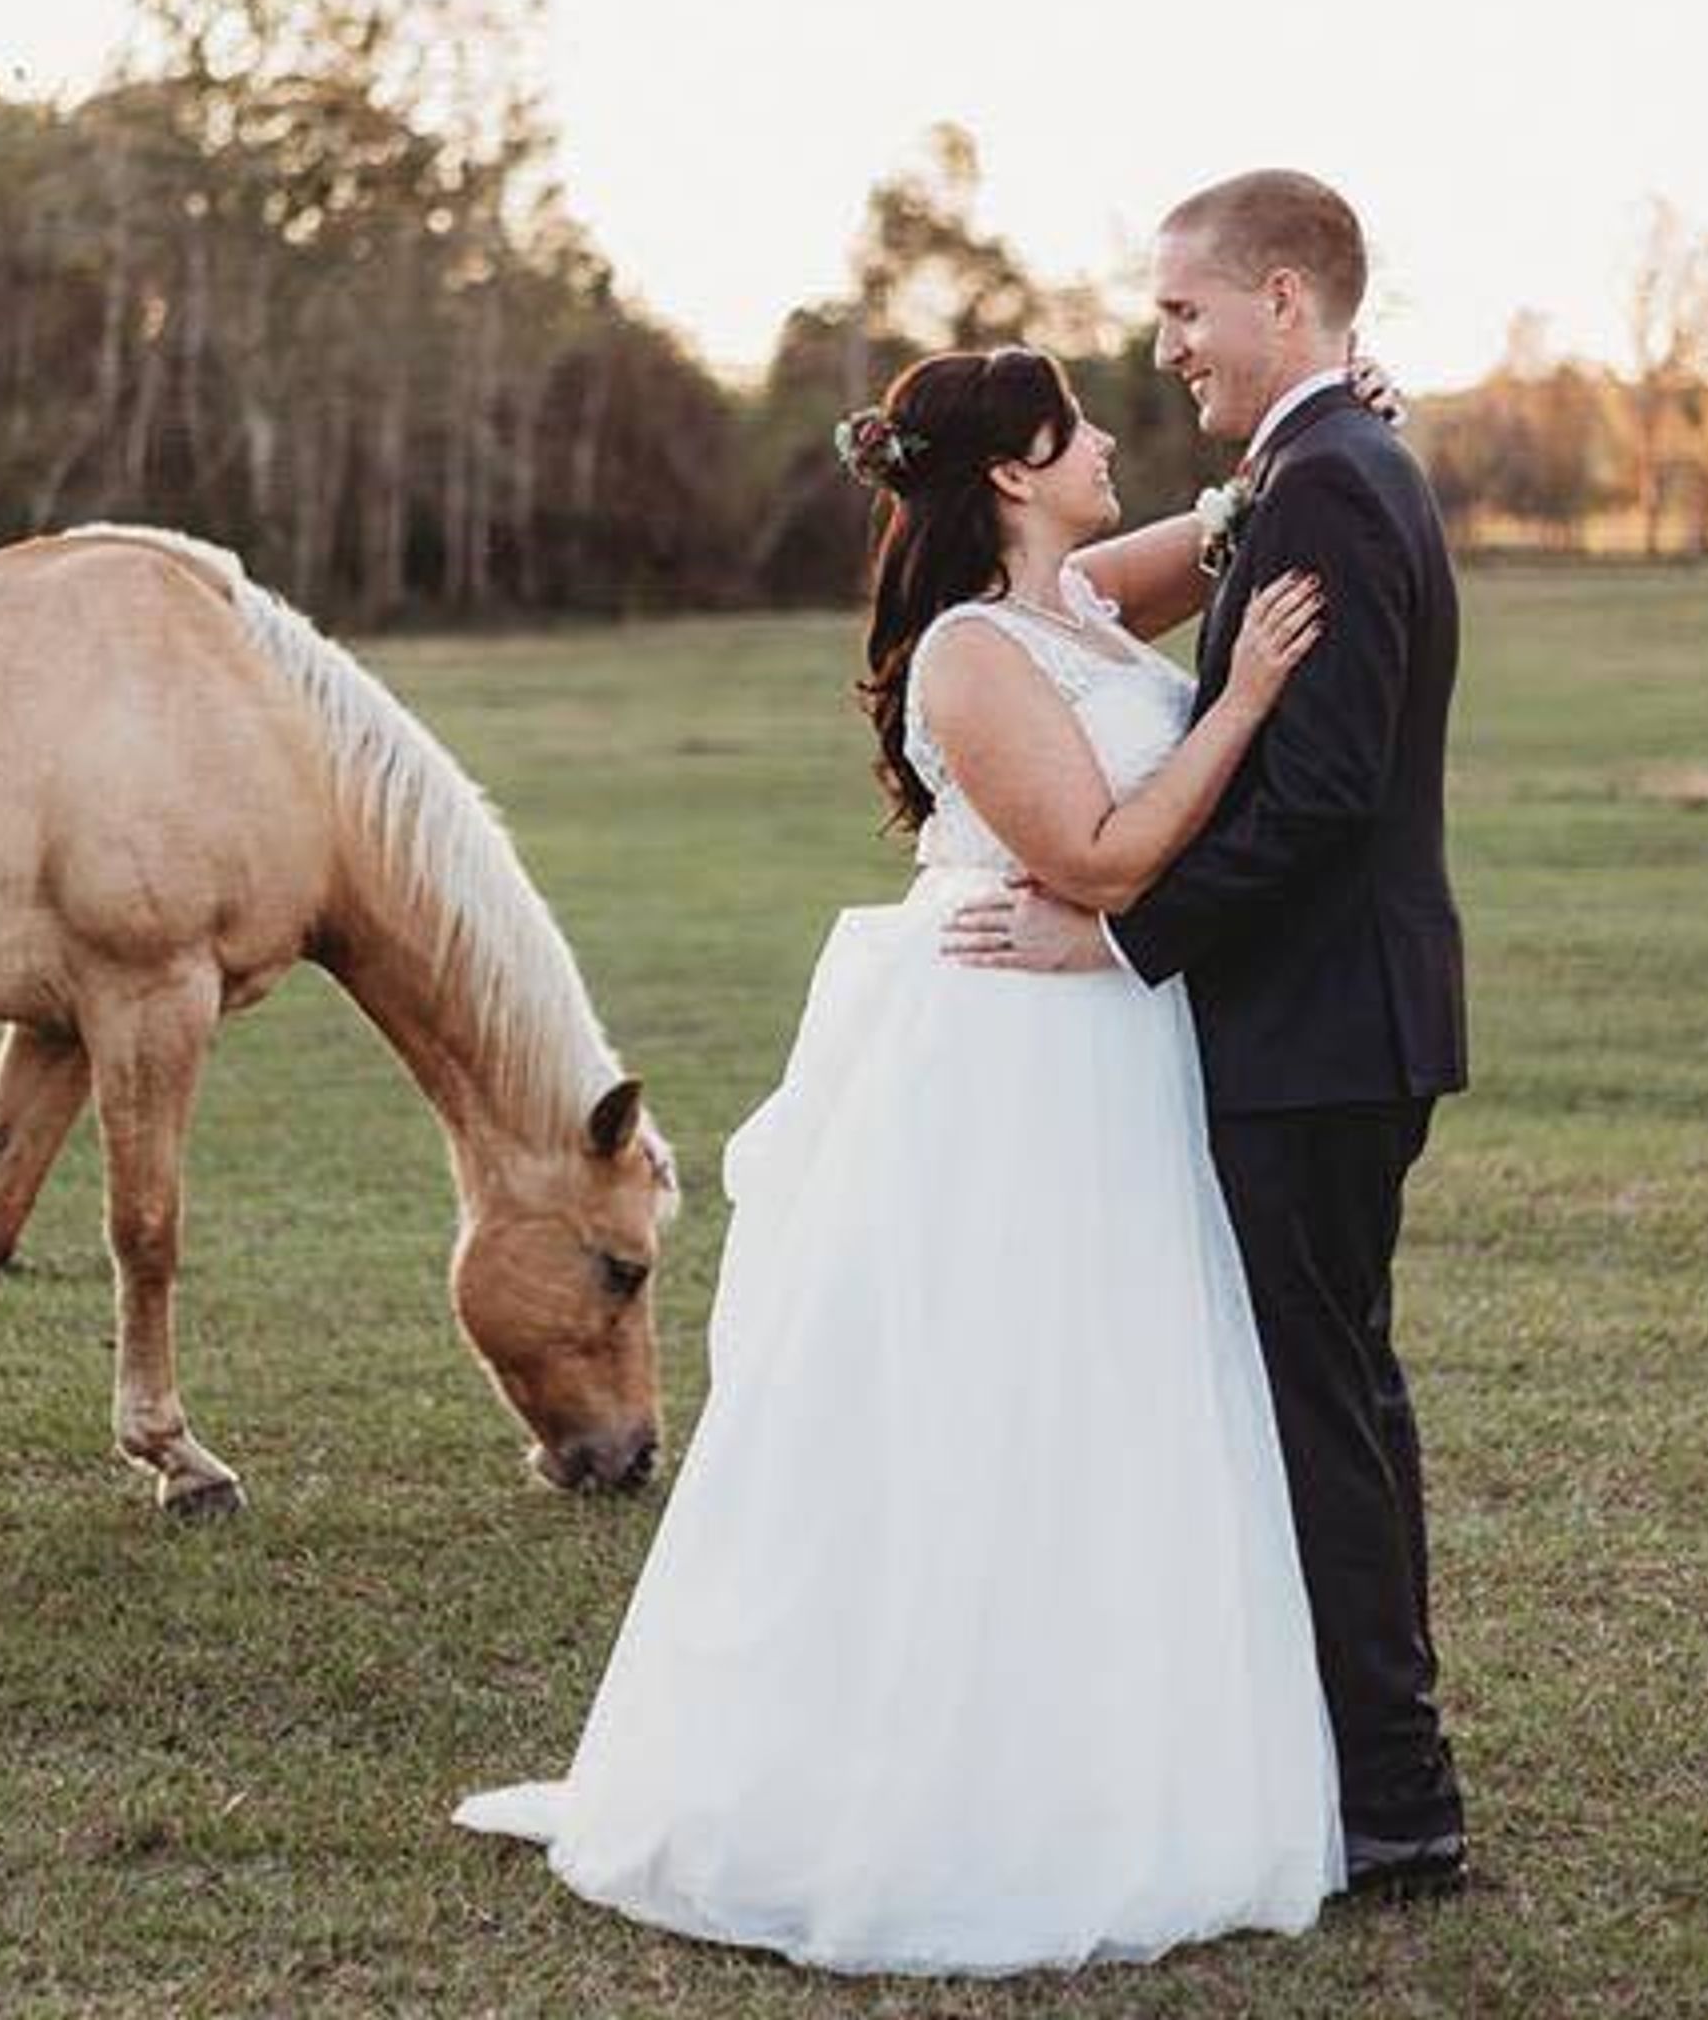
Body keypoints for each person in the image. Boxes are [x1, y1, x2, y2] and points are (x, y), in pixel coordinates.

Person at [452, 340, 1349, 1975]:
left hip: (1105, 1048)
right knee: (982, 1392)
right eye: (1076, 429)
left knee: (1103, 1387)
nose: (1109, 444)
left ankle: (1094, 1759)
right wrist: (1245, 700)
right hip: (1007, 1050)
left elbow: (1224, 522)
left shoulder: (1077, 603)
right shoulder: (970, 655)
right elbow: (1101, 860)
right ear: (1012, 470)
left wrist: (1316, 438)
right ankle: (927, 1780)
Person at [945, 168, 1473, 1896]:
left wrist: (1115, 935)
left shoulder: (1337, 482)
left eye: (1185, 310)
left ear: (1284, 303)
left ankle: (1392, 1800)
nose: (1164, 344)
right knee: (1324, 1395)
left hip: (1317, 1025)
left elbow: (1319, 795)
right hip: (1326, 1020)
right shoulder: (1316, 474)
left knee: (1320, 1408)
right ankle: (1357, 1774)